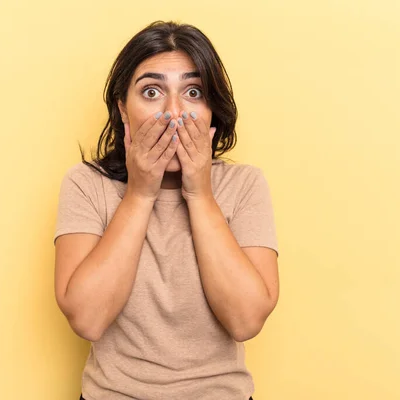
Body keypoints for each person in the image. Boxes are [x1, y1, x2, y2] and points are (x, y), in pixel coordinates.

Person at [54, 21, 279, 400]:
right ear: (124, 110)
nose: (174, 113)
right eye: (152, 91)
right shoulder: (86, 184)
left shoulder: (245, 185)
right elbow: (87, 319)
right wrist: (140, 194)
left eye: (193, 92)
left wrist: (201, 195)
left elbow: (246, 320)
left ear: (212, 111)